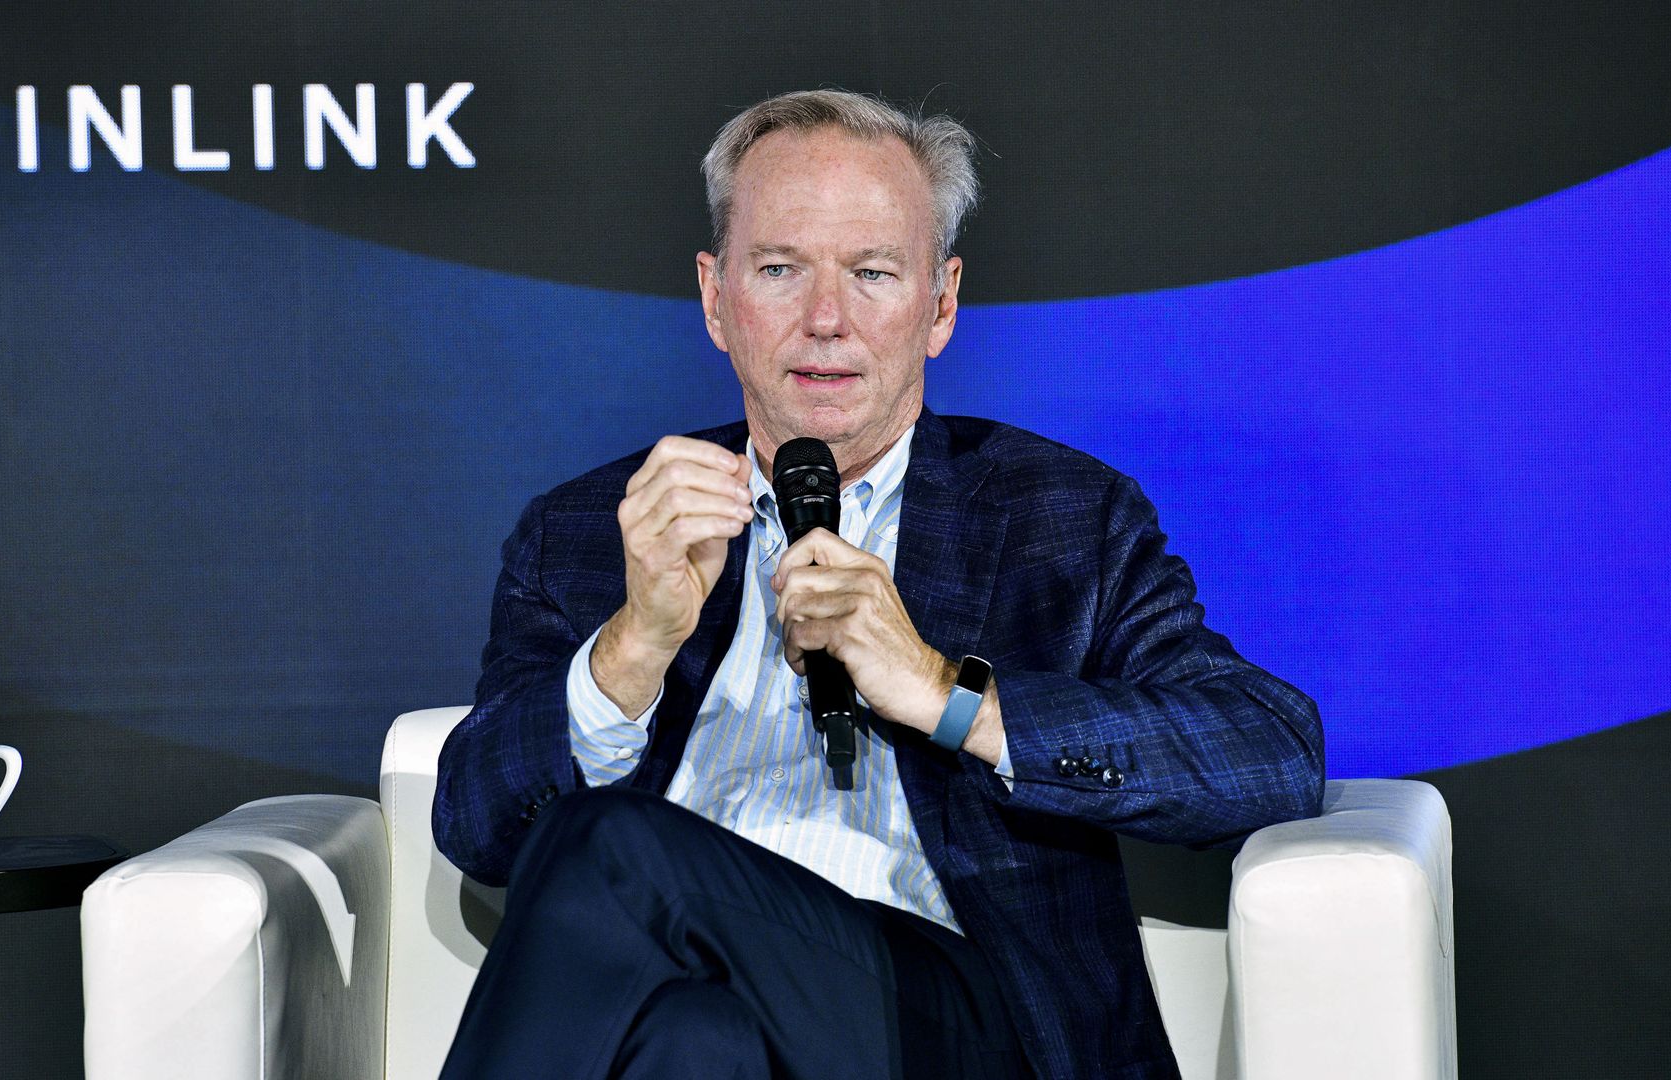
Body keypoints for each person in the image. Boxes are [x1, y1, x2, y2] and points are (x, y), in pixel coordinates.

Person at [431, 89, 1324, 1079]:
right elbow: (479, 828)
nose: (825, 321)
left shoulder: (1058, 519)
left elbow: (1269, 754)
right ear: (714, 296)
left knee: (612, 851)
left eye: (871, 273)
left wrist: (947, 696)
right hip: (700, 1010)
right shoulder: (592, 531)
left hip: (954, 1022)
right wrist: (635, 644)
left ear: (939, 306)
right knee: (694, 1043)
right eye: (779, 269)